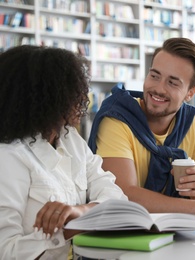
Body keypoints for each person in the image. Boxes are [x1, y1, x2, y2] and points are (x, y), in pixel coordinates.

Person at [88, 37, 195, 221]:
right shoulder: (117, 118)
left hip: (174, 234)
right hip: (120, 233)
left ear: (190, 93)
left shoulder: (191, 121)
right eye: (154, 76)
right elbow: (124, 194)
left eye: (173, 82)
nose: (158, 89)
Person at [0, 45, 127, 259]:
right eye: (72, 90)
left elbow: (118, 199)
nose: (81, 99)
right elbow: (5, 250)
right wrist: (69, 229)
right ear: (46, 97)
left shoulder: (71, 140)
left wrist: (81, 213)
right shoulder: (9, 156)